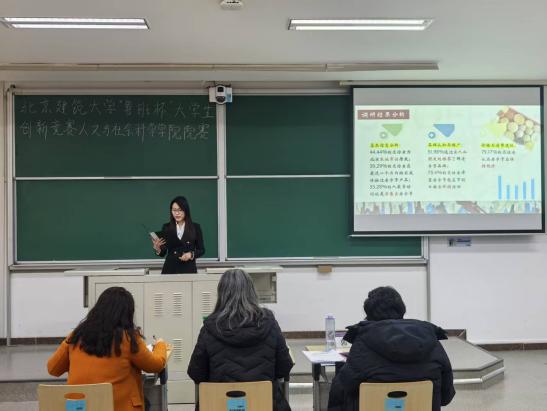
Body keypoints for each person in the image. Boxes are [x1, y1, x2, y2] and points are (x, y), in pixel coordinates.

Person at [328, 286, 455, 411]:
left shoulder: (363, 342)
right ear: (402, 310)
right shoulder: (430, 337)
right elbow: (446, 397)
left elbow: (341, 390)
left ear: (368, 314)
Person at [187, 269, 293, 411]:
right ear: (251, 292)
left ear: (221, 294)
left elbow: (196, 373)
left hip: (219, 405)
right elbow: (284, 368)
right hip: (264, 404)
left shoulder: (210, 327)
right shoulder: (269, 322)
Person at [47, 287, 167, 411]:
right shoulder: (128, 339)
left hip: (80, 408)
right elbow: (155, 366)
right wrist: (160, 345)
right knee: (147, 403)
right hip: (117, 408)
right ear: (127, 314)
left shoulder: (76, 336)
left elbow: (53, 369)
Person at [152, 196, 205, 274]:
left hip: (188, 269)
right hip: (170, 269)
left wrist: (190, 255)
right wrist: (158, 248)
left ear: (186, 210)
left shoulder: (195, 227)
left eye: (180, 210)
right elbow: (163, 252)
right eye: (174, 210)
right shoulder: (167, 227)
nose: (177, 213)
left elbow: (201, 250)